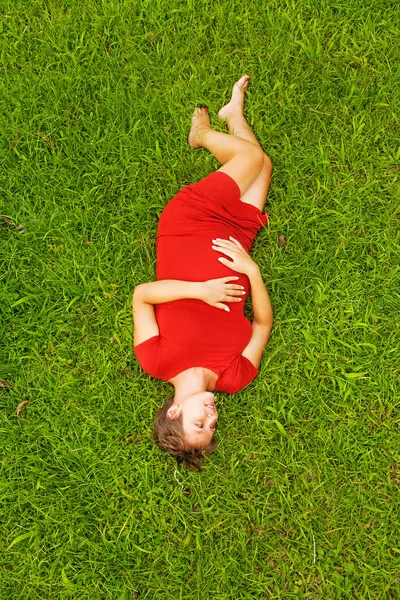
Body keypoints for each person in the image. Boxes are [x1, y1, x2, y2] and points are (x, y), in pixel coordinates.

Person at [132, 75, 273, 470]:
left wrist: (201, 291)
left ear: (174, 413)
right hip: (237, 241)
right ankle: (233, 114)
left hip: (188, 226)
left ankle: (203, 134)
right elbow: (262, 325)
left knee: (250, 161)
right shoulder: (234, 378)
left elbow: (142, 294)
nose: (211, 417)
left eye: (200, 422)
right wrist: (251, 271)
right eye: (212, 426)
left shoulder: (155, 360)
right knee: (263, 168)